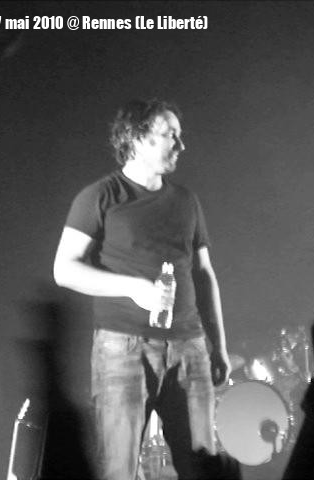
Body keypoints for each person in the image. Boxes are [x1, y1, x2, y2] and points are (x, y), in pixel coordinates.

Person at [53, 99, 231, 480]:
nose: (181, 145)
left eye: (180, 136)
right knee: (118, 470)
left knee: (203, 468)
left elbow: (203, 274)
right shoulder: (100, 196)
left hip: (190, 349)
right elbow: (63, 269)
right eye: (170, 136)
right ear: (136, 138)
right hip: (124, 350)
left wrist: (218, 345)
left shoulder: (186, 201)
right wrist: (134, 289)